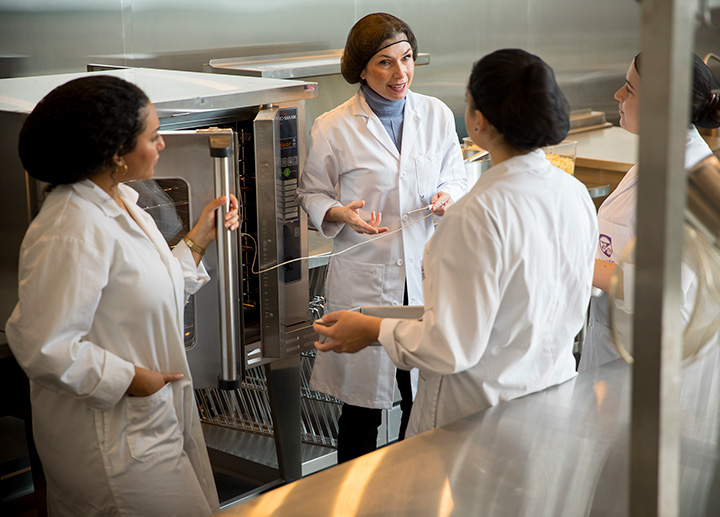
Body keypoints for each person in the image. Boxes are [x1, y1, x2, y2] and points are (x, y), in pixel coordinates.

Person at [313, 49, 598, 437]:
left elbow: (448, 345)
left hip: (480, 417)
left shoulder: (475, 215)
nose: (401, 71)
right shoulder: (573, 191)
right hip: (549, 397)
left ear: (478, 120)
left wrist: (372, 330)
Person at [5, 75, 240, 516]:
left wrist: (197, 242)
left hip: (148, 425)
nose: (163, 144)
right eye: (153, 136)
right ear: (116, 153)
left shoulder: (120, 201)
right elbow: (42, 346)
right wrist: (132, 379)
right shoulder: (71, 227)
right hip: (112, 440)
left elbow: (142, 293)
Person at [296, 12, 467, 461]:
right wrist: (340, 212)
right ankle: (351, 499)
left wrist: (447, 196)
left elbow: (456, 174)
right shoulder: (333, 126)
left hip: (425, 273)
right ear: (362, 70)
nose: (400, 73)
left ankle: (417, 493)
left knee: (423, 398)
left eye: (406, 58)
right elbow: (311, 192)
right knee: (362, 410)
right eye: (385, 63)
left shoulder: (436, 113)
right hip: (366, 276)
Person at [578, 53, 720, 371]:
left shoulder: (679, 179)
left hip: (643, 365)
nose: (617, 95)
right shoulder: (667, 157)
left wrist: (577, 263)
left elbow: (661, 288)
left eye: (629, 90)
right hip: (624, 350)